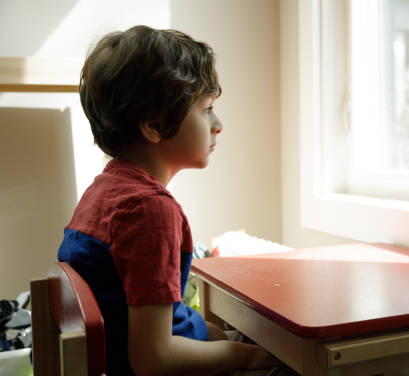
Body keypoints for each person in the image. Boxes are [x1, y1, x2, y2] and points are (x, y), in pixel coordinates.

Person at [57, 25, 281, 375]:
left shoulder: (104, 191)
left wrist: (222, 339)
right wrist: (243, 357)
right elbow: (154, 359)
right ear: (154, 125)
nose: (217, 124)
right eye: (206, 109)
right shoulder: (149, 210)